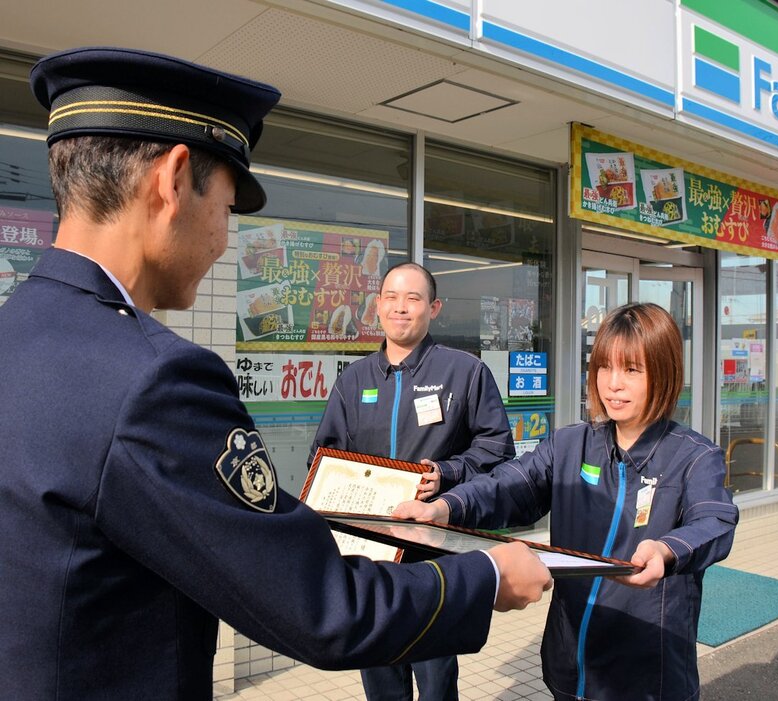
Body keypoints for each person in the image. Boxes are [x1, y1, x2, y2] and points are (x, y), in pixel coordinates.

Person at [0, 46, 552, 700]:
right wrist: (485, 578)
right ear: (174, 180)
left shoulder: (17, 333)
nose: (224, 240)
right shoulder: (154, 380)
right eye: (228, 209)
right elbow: (318, 605)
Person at [395, 302, 739, 700]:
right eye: (604, 368)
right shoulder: (571, 444)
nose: (613, 384)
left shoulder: (694, 456)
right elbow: (509, 483)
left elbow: (714, 523)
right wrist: (443, 507)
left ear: (664, 373)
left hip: (647, 675)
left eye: (632, 370)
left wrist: (666, 550)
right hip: (568, 662)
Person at [309, 260, 517, 701]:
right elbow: (323, 458)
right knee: (379, 673)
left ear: (434, 308)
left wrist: (448, 473)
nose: (400, 308)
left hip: (432, 553)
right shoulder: (354, 380)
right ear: (377, 306)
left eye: (413, 298)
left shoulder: (465, 372)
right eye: (391, 297)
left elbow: (497, 450)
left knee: (437, 677)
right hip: (370, 555)